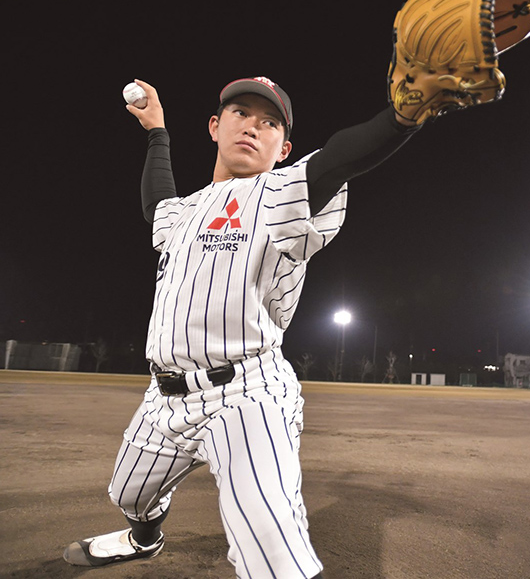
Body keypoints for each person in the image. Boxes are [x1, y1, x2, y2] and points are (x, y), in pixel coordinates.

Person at [63, 76, 420, 579]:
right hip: (163, 397)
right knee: (129, 493)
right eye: (240, 114)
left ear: (284, 147)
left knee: (270, 546)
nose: (253, 127)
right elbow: (156, 204)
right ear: (214, 126)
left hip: (247, 394)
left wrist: (403, 116)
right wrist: (157, 130)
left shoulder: (282, 194)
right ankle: (144, 540)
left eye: (269, 122)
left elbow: (340, 157)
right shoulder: (183, 212)